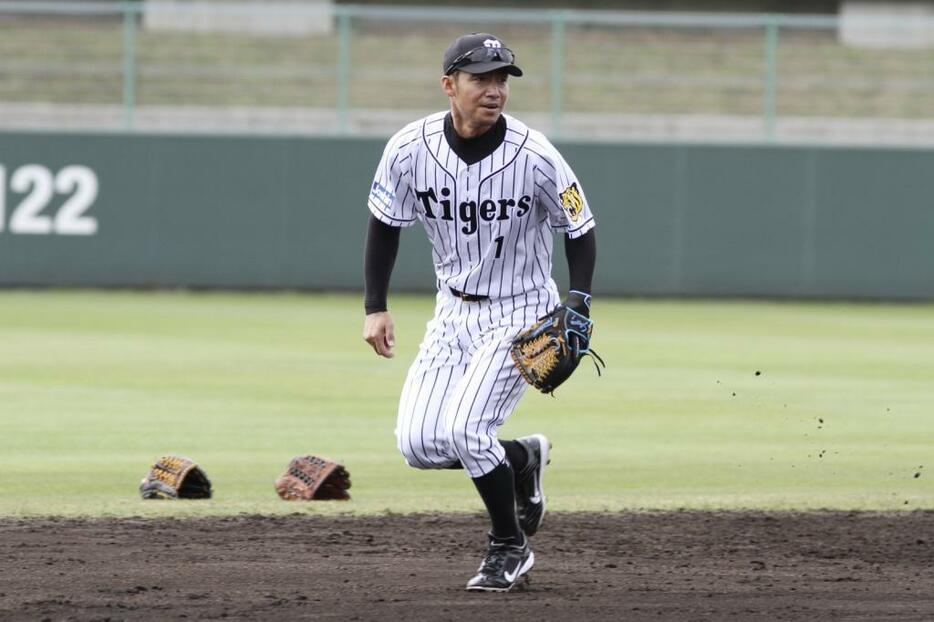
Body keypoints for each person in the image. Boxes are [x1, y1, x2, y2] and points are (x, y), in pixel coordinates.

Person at [362, 32, 596, 592]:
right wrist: (376, 306)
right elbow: (384, 226)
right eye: (481, 79)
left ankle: (509, 547)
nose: (495, 90)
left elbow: (580, 230)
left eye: (502, 80)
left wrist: (579, 302)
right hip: (452, 314)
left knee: (468, 429)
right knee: (418, 445)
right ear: (449, 85)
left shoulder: (536, 155)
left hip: (521, 311)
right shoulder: (408, 149)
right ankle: (519, 458)